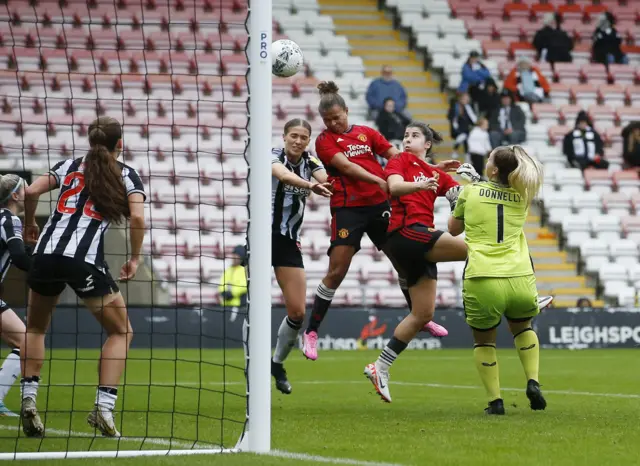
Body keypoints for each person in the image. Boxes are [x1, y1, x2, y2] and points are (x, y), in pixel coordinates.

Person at [302, 82, 454, 361]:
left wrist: (430, 167)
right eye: (328, 120)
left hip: (380, 206)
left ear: (347, 111)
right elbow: (347, 167)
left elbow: (399, 156)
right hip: (348, 208)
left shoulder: (366, 133)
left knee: (402, 261)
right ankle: (311, 332)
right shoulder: (323, 141)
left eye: (338, 117)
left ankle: (418, 316)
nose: (334, 123)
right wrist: (380, 179)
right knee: (337, 271)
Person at [20, 116, 146, 438]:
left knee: (35, 327)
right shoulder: (126, 174)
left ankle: (29, 400)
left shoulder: (69, 165)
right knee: (121, 332)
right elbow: (137, 218)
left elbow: (31, 189)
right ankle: (103, 408)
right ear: (121, 144)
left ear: (90, 142)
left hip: (46, 255)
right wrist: (134, 258)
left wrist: (30, 224)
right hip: (83, 260)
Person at [448, 145, 547, 415]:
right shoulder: (522, 195)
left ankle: (496, 402)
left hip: (483, 277)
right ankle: (533, 381)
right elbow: (496, 192)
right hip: (519, 278)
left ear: (492, 169)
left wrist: (454, 199)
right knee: (523, 328)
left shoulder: (470, 192)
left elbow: (453, 229)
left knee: (484, 342)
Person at [270, 118, 332, 394]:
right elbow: (282, 175)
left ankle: (276, 364)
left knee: (297, 311)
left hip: (287, 241)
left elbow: (326, 179)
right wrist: (309, 187)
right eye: (293, 135)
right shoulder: (272, 155)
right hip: (260, 238)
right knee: (255, 305)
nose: (297, 141)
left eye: (303, 137)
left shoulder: (311, 161)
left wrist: (322, 183)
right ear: (284, 137)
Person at [0, 175, 32, 417]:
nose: (30, 191)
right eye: (26, 188)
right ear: (15, 195)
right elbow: (20, 259)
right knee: (26, 342)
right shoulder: (10, 220)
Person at [218, 245, 248, 315]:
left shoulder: (244, 270)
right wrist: (223, 292)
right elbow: (222, 283)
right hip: (226, 306)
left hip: (240, 306)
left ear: (241, 257)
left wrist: (232, 293)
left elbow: (244, 285)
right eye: (233, 255)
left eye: (237, 255)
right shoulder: (228, 270)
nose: (234, 257)